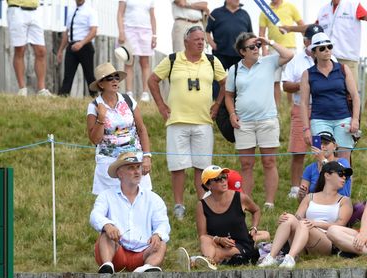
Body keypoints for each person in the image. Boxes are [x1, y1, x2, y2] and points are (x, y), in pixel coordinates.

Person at [148, 26, 227, 221]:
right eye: (197, 39)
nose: (201, 42)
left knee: (202, 166)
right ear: (186, 42)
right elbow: (152, 80)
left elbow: (226, 83)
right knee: (178, 166)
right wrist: (160, 105)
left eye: (203, 39)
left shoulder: (211, 60)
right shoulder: (173, 59)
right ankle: (179, 205)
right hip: (177, 121)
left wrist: (217, 104)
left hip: (203, 121)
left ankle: (203, 204)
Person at [225, 32, 294, 209]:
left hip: (267, 121)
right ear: (242, 52)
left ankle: (269, 202)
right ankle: (245, 202)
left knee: (269, 162)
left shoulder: (268, 61)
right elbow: (228, 95)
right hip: (243, 123)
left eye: (257, 46)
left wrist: (268, 42)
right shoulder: (234, 70)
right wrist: (232, 114)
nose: (256, 49)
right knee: (246, 164)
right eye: (251, 47)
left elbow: (289, 55)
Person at [258, 160, 353, 269]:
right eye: (341, 174)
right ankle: (271, 257)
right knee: (289, 218)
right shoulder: (310, 197)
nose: (344, 178)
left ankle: (290, 258)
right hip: (303, 236)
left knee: (304, 224)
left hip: (326, 240)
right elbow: (297, 217)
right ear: (327, 175)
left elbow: (340, 224)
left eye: (345, 175)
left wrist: (315, 223)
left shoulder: (344, 200)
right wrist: (284, 217)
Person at [90, 152, 170, 274]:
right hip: (117, 251)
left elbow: (163, 223)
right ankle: (107, 266)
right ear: (119, 173)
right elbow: (95, 215)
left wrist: (157, 235)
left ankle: (148, 267)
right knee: (106, 234)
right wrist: (107, 225)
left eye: (138, 167)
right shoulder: (106, 196)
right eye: (131, 168)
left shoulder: (154, 199)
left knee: (161, 243)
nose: (137, 171)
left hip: (144, 253)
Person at [179, 165, 262, 271]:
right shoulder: (202, 205)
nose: (223, 181)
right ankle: (206, 261)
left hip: (240, 244)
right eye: (218, 179)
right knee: (205, 240)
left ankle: (198, 261)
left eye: (225, 177)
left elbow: (256, 210)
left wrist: (254, 228)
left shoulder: (240, 197)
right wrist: (219, 239)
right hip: (217, 243)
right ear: (208, 185)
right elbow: (203, 235)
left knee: (219, 253)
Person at [86, 63, 153, 194]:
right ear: (101, 84)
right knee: (111, 204)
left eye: (117, 77)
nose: (115, 81)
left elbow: (141, 130)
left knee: (142, 199)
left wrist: (147, 156)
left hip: (134, 159)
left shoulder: (128, 100)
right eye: (110, 78)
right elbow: (95, 140)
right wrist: (101, 118)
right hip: (109, 163)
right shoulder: (93, 106)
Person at [282, 24, 327, 200]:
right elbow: (286, 85)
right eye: (311, 39)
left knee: (322, 149)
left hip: (323, 109)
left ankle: (323, 184)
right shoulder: (296, 60)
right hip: (301, 109)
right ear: (305, 41)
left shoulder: (332, 58)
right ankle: (295, 188)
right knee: (299, 150)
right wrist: (305, 84)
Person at [299, 32, 360, 161]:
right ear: (314, 52)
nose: (327, 50)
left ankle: (346, 182)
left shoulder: (343, 69)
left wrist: (355, 120)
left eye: (329, 47)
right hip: (318, 121)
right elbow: (303, 104)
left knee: (344, 160)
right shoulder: (307, 74)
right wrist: (306, 129)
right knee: (321, 159)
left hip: (343, 120)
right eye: (322, 48)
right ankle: (322, 181)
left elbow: (355, 96)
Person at [258, 0, 304, 107]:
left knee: (291, 80)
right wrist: (264, 50)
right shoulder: (265, 11)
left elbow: (302, 25)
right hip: (273, 50)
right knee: (275, 81)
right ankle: (277, 109)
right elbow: (261, 33)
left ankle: (292, 107)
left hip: (290, 49)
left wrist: (307, 41)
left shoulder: (291, 6)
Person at [6, 0, 51, 96]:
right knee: (20, 50)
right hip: (17, 9)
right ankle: (22, 88)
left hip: (34, 10)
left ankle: (41, 89)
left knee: (41, 51)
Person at [57, 0, 97, 96]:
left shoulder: (90, 11)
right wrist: (60, 50)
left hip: (85, 46)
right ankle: (63, 95)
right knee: (68, 75)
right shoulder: (71, 11)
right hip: (72, 45)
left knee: (89, 75)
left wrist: (81, 43)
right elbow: (67, 32)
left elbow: (93, 31)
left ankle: (95, 97)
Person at [116, 0, 154, 102]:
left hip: (146, 31)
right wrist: (121, 32)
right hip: (129, 30)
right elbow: (120, 13)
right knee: (129, 61)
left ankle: (145, 93)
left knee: (145, 62)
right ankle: (129, 93)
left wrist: (154, 35)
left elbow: (152, 17)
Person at [298, 131, 352, 201]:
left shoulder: (343, 162)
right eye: (319, 143)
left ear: (335, 146)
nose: (322, 146)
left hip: (338, 205)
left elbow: (338, 176)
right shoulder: (309, 168)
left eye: (326, 143)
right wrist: (302, 195)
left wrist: (322, 160)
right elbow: (301, 201)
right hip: (316, 206)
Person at [205, 0, 252, 72]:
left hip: (239, 56)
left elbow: (250, 35)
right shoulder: (216, 13)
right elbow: (207, 31)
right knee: (217, 81)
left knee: (238, 81)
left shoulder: (244, 14)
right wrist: (213, 45)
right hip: (220, 55)